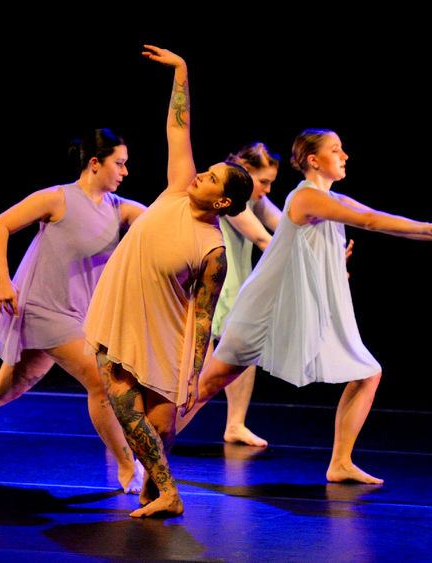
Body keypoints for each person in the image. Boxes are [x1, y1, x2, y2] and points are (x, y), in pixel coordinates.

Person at [177, 128, 432, 485]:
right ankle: (146, 445)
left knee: (368, 374)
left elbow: (369, 213)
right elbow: (369, 221)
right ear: (314, 160)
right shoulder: (306, 198)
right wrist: (428, 227)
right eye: (335, 150)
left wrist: (428, 231)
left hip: (291, 311)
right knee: (209, 383)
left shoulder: (328, 199)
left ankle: (340, 462)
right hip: (263, 310)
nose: (344, 156)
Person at [0, 128, 147, 494]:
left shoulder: (120, 210)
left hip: (75, 315)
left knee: (3, 389)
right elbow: (0, 226)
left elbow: (158, 220)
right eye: (119, 163)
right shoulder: (57, 199)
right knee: (103, 383)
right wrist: (2, 281)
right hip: (42, 310)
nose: (125, 171)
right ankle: (127, 468)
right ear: (94, 164)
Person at [83, 46, 253, 518]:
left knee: (158, 424)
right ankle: (167, 492)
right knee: (123, 402)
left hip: (163, 330)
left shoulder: (213, 249)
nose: (202, 173)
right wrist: (181, 71)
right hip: (119, 310)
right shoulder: (180, 188)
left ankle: (156, 488)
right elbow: (178, 128)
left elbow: (202, 312)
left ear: (222, 202)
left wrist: (194, 370)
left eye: (212, 178)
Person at [210, 142, 282, 447]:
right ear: (246, 172)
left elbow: (287, 227)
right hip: (218, 283)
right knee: (194, 358)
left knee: (245, 352)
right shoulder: (231, 197)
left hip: (238, 283)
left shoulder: (254, 197)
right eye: (263, 182)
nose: (266, 190)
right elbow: (264, 238)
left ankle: (236, 424)